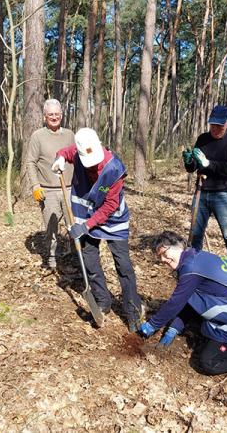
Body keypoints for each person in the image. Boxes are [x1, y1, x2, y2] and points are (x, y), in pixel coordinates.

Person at [139, 231, 227, 375]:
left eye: (165, 253)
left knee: (208, 362)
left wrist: (152, 325)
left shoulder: (191, 269)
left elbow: (175, 303)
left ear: (180, 245)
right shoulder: (196, 257)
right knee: (202, 329)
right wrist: (175, 328)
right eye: (160, 257)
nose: (163, 259)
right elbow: (189, 300)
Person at [52, 128, 144, 332]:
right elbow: (66, 152)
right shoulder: (78, 152)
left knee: (124, 267)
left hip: (113, 222)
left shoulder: (114, 169)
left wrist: (85, 226)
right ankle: (103, 301)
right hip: (85, 216)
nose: (93, 166)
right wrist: (59, 158)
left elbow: (109, 207)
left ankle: (133, 312)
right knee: (90, 261)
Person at [182, 105, 227, 270]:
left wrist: (208, 163)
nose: (216, 129)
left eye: (220, 126)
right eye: (213, 125)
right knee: (195, 234)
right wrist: (189, 162)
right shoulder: (203, 139)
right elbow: (194, 167)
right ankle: (193, 268)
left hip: (223, 194)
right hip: (201, 191)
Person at [25, 99, 75, 269]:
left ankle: (76, 255)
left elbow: (76, 158)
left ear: (62, 114)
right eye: (50, 114)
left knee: (73, 223)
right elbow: (30, 162)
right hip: (48, 190)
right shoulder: (38, 136)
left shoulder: (69, 135)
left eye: (57, 114)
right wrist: (35, 186)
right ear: (45, 117)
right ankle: (51, 256)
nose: (54, 117)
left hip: (69, 188)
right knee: (51, 227)